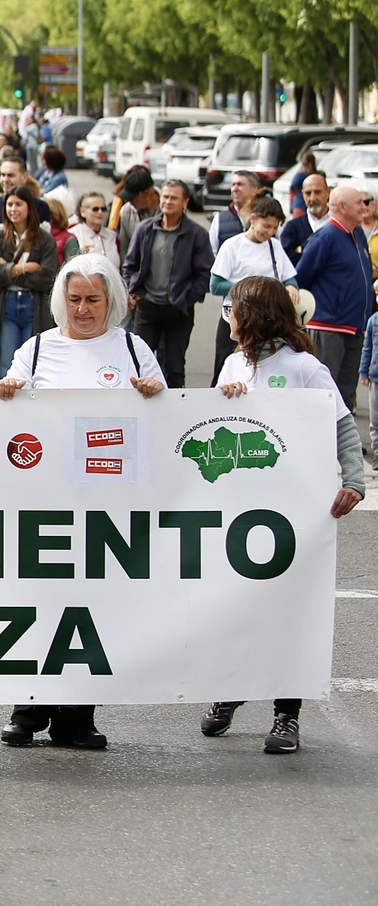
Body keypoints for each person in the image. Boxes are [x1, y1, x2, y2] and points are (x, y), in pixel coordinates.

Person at [0, 255, 164, 752]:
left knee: (90, 612)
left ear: (110, 300)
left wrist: (156, 395)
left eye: (93, 299)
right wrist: (5, 392)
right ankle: (27, 711)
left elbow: (165, 422)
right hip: (44, 503)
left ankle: (76, 718)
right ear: (59, 301)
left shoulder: (133, 349)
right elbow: (4, 415)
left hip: (106, 507)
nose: (83, 310)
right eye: (74, 300)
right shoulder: (38, 349)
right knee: (40, 607)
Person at [200, 276, 365, 754]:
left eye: (233, 309)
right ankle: (229, 693)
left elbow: (342, 425)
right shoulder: (233, 362)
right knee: (234, 609)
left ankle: (286, 715)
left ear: (255, 314)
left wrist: (353, 480)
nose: (227, 316)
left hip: (287, 516)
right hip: (237, 512)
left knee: (288, 613)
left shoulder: (304, 368)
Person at [123, 181, 215, 389]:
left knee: (174, 367)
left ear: (185, 202)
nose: (167, 202)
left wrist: (188, 298)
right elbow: (129, 264)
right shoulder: (146, 229)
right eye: (165, 197)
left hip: (179, 310)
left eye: (173, 198)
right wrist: (133, 290)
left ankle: (175, 414)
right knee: (137, 363)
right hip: (147, 307)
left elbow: (205, 274)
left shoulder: (197, 234)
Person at [294, 184, 375, 409]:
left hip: (354, 327)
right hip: (328, 327)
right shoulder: (325, 237)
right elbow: (301, 279)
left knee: (346, 394)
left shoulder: (356, 234)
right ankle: (320, 443)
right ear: (342, 206)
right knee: (324, 394)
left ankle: (343, 444)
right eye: (359, 202)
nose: (364, 206)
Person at [0, 187, 61, 379]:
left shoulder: (44, 239)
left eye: (18, 204)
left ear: (29, 208)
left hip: (34, 304)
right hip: (7, 303)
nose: (13, 209)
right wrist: (25, 268)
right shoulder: (1, 238)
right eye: (10, 204)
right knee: (5, 363)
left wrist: (9, 270)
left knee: (33, 363)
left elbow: (47, 277)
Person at [209, 196, 296, 380]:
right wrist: (252, 291)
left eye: (275, 227)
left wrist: (291, 287)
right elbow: (215, 285)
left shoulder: (274, 246)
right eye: (266, 226)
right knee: (226, 371)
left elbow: (290, 277)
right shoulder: (233, 246)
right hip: (235, 320)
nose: (270, 232)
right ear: (253, 219)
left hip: (267, 323)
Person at [282, 173, 332, 261]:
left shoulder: (342, 224)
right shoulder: (292, 228)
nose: (312, 198)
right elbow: (287, 259)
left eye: (317, 192)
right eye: (308, 193)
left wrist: (304, 250)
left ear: (328, 192)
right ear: (302, 194)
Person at [67, 190, 121, 269]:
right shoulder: (72, 234)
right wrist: (76, 254)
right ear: (83, 211)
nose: (100, 212)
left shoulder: (112, 236)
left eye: (103, 209)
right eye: (95, 209)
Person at [213, 171, 261, 249]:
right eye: (233, 185)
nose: (235, 189)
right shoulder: (219, 219)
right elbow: (213, 252)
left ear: (254, 189)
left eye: (240, 184)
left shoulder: (266, 216)